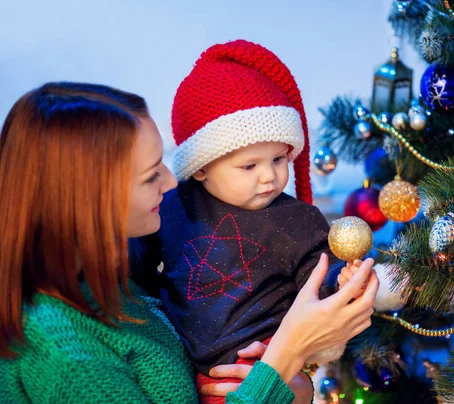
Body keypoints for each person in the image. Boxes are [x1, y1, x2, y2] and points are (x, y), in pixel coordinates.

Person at [0, 82, 379, 404]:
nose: (170, 182)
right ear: (88, 201)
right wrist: (287, 354)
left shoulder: (115, 283)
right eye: (151, 176)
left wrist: (291, 383)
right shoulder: (61, 353)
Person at [151, 39, 373, 401]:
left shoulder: (298, 219)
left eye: (278, 160)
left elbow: (318, 278)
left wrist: (340, 279)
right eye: (250, 166)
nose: (269, 176)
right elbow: (131, 263)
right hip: (184, 367)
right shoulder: (173, 208)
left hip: (266, 361)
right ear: (203, 166)